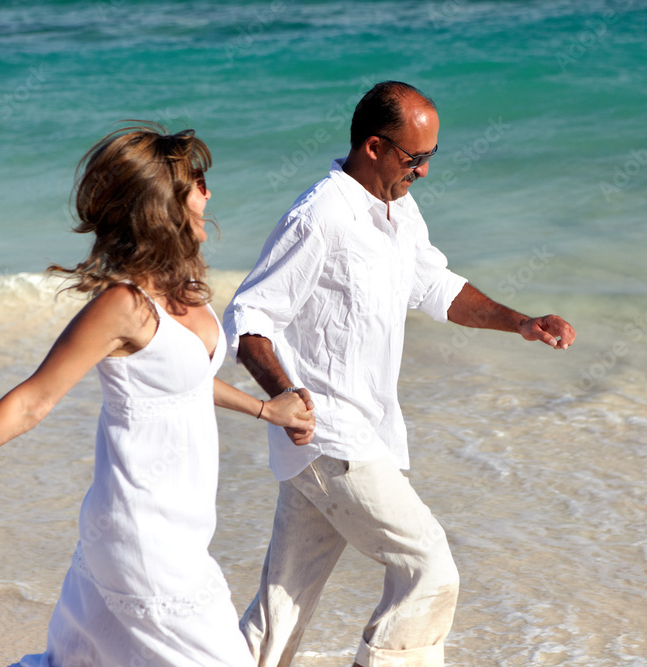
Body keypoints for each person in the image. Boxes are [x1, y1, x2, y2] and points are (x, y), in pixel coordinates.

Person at [0, 124, 315, 667]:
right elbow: (31, 402)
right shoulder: (123, 306)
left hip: (177, 531)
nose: (209, 194)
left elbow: (184, 381)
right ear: (162, 204)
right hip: (143, 539)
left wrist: (266, 410)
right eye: (198, 182)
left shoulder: (182, 288)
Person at [223, 81, 576, 667]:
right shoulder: (319, 218)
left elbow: (437, 287)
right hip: (331, 438)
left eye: (431, 156)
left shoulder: (398, 209)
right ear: (373, 146)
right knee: (428, 567)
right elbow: (248, 316)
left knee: (279, 611)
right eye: (415, 158)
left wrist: (520, 321)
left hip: (357, 435)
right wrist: (283, 396)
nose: (424, 171)